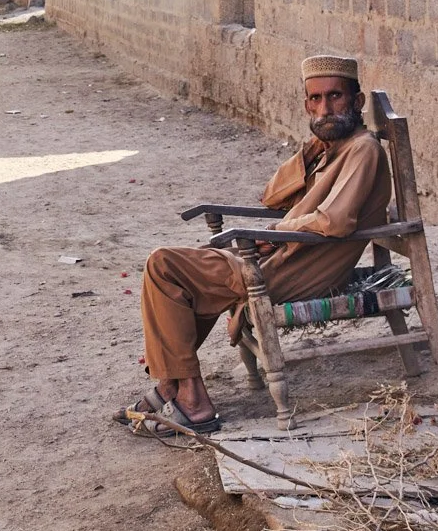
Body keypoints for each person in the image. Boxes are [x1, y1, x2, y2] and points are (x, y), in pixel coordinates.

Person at [123, 55, 390, 437]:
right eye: (315, 100)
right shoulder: (331, 148)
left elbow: (337, 219)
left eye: (335, 97)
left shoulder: (362, 149)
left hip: (300, 270)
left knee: (165, 266)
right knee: (175, 275)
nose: (325, 108)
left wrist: (273, 233)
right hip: (285, 254)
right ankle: (173, 385)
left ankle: (192, 400)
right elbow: (272, 195)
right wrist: (314, 148)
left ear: (357, 101)